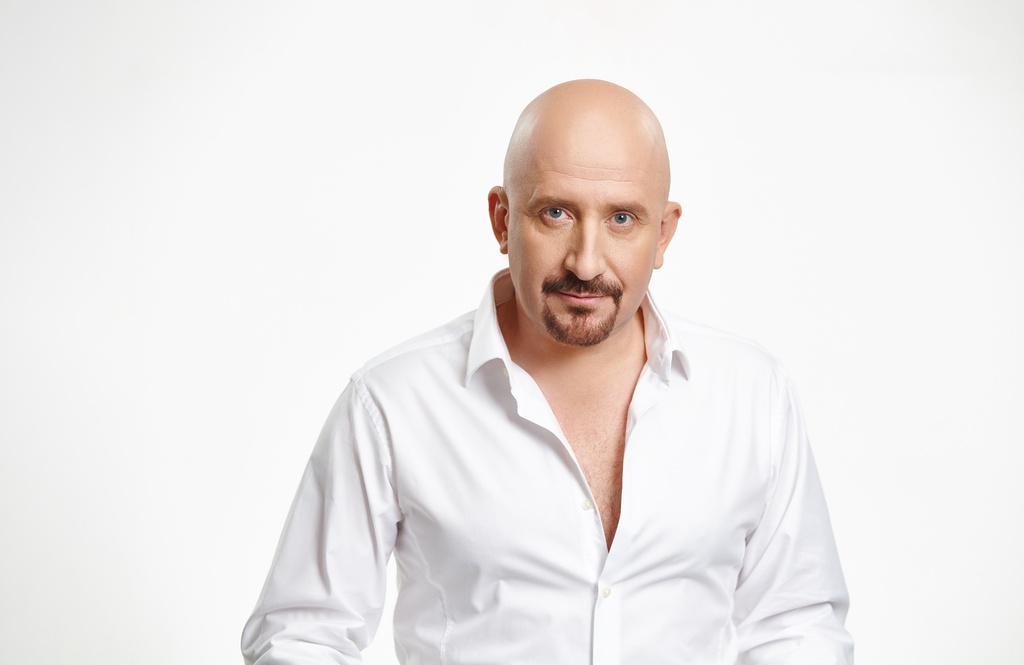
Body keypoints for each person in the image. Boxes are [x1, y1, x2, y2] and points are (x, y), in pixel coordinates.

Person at [241, 79, 853, 664]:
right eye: (556, 213)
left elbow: (797, 630)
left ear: (664, 233)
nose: (586, 263)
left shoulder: (752, 396)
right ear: (502, 219)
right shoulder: (392, 404)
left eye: (622, 219)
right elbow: (303, 636)